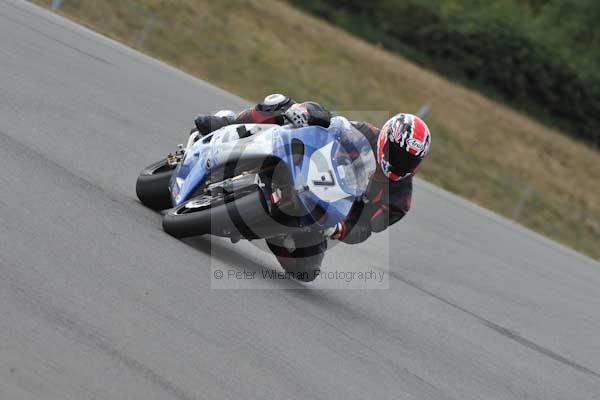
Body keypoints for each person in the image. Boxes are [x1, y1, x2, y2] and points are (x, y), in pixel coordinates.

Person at [194, 94, 431, 281]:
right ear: (385, 137)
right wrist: (307, 114)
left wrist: (339, 230)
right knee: (280, 104)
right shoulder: (366, 133)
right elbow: (335, 123)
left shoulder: (400, 199)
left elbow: (367, 227)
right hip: (306, 168)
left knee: (306, 270)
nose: (400, 162)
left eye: (408, 160)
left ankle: (271, 227)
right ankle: (225, 124)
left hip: (323, 213)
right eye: (396, 153)